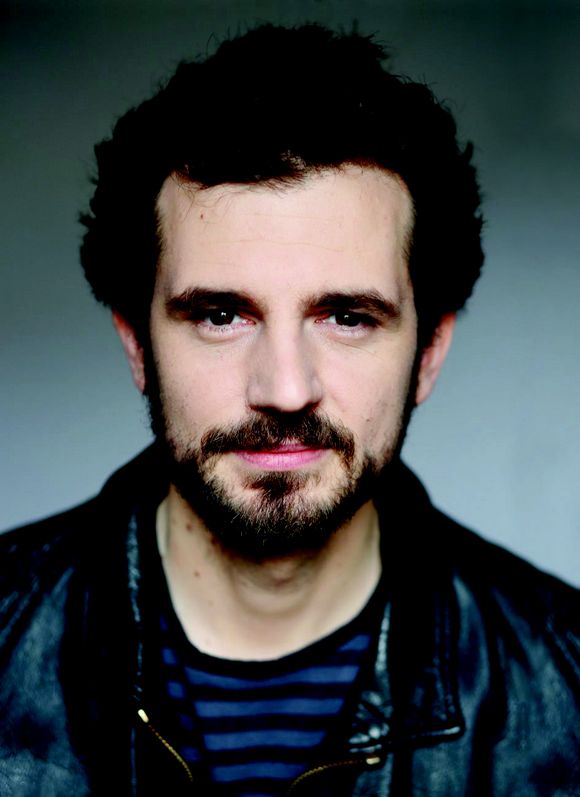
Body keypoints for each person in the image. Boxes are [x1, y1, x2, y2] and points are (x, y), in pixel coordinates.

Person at [0, 22, 577, 797]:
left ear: (429, 352)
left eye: (347, 316)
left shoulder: (565, 690)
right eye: (220, 315)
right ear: (137, 344)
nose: (284, 387)